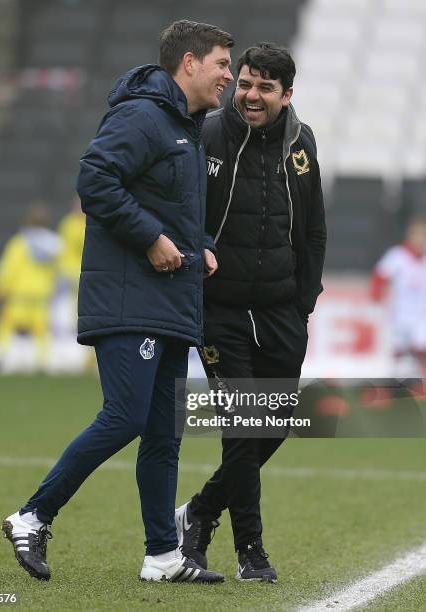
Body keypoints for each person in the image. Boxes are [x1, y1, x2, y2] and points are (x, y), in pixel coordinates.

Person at [1, 20, 234, 584]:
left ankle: (162, 555)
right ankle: (33, 514)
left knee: (163, 437)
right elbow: (95, 179)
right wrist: (151, 238)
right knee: (125, 417)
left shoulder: (187, 127)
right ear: (189, 63)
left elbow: (178, 213)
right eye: (222, 64)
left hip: (172, 303)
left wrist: (198, 246)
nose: (229, 75)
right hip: (131, 299)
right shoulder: (143, 116)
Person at [175, 42, 326, 582]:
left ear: (287, 95)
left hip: (283, 309)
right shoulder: (207, 133)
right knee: (243, 428)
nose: (250, 95)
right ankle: (250, 551)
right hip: (221, 310)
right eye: (244, 83)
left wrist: (304, 302)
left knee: (275, 423)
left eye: (265, 87)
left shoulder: (302, 142)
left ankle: (198, 511)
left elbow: (313, 230)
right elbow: (182, 208)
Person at [0, 204, 61, 370]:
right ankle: (43, 362)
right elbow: (57, 270)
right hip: (41, 294)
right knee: (42, 330)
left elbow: (9, 267)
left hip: (19, 294)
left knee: (6, 324)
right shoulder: (54, 244)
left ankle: (1, 356)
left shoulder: (20, 242)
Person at [371, 216, 426, 377]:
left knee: (421, 348)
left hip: (421, 316)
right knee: (398, 353)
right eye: (418, 235)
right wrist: (377, 295)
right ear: (410, 235)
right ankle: (393, 388)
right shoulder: (398, 256)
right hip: (399, 315)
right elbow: (380, 276)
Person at [52, 195, 85, 337]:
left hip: (68, 269)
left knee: (69, 303)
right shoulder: (81, 224)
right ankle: (68, 332)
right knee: (72, 303)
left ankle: (66, 332)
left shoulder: (67, 222)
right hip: (73, 271)